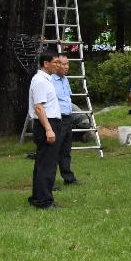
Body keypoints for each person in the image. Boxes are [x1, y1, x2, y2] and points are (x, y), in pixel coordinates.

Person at [28, 51, 63, 209]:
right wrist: (49, 129)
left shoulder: (46, 80)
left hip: (50, 123)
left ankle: (37, 197)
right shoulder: (40, 81)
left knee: (42, 163)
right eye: (55, 62)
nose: (58, 65)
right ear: (45, 64)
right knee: (47, 165)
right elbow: (39, 107)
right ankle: (44, 201)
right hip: (46, 124)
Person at [52, 53, 78, 185]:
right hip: (57, 118)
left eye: (67, 63)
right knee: (54, 149)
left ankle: (68, 177)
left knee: (66, 149)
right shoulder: (50, 80)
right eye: (63, 64)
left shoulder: (65, 80)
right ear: (56, 65)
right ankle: (49, 180)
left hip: (68, 118)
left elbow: (68, 98)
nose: (66, 66)